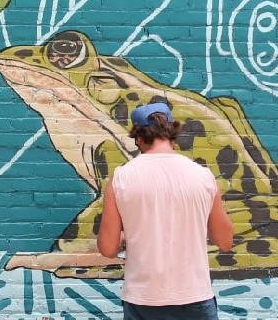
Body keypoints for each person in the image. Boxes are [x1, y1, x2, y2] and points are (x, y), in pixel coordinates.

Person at [98, 101, 234, 320]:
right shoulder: (203, 176)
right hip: (194, 298)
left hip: (143, 301)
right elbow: (225, 241)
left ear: (139, 139)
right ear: (172, 135)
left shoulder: (121, 178)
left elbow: (107, 248)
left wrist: (127, 236)